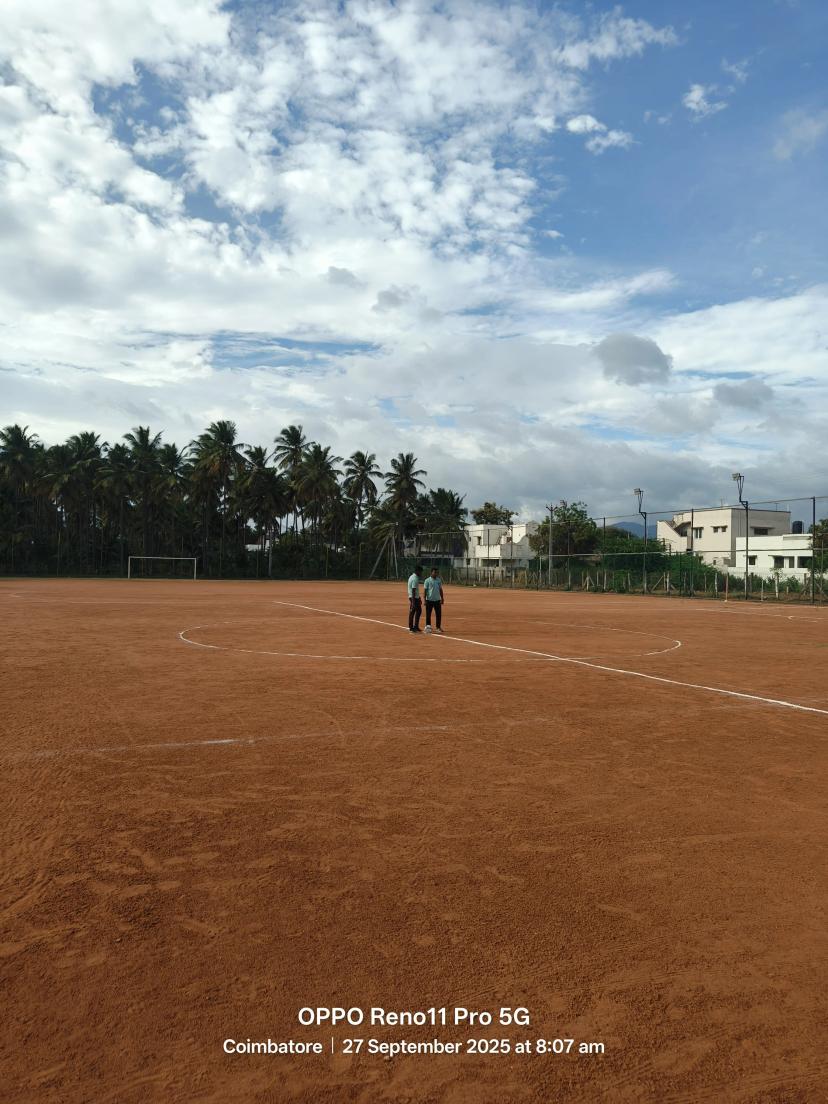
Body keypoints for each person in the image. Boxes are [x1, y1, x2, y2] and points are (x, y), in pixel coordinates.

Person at [424, 567, 445, 633]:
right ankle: (428, 627)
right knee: (428, 614)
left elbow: (440, 590)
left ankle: (438, 627)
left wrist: (442, 598)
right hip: (429, 600)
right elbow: (425, 590)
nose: (436, 574)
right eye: (435, 572)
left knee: (438, 614)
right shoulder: (427, 580)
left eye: (437, 572)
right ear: (431, 572)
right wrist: (424, 600)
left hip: (437, 600)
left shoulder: (438, 580)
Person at [407, 564, 424, 632]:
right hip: (413, 597)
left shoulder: (412, 576)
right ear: (417, 571)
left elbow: (415, 590)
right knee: (415, 611)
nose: (421, 573)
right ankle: (413, 627)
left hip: (414, 597)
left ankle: (414, 627)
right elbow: (413, 590)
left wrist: (419, 598)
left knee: (415, 611)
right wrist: (413, 602)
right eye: (420, 572)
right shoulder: (415, 578)